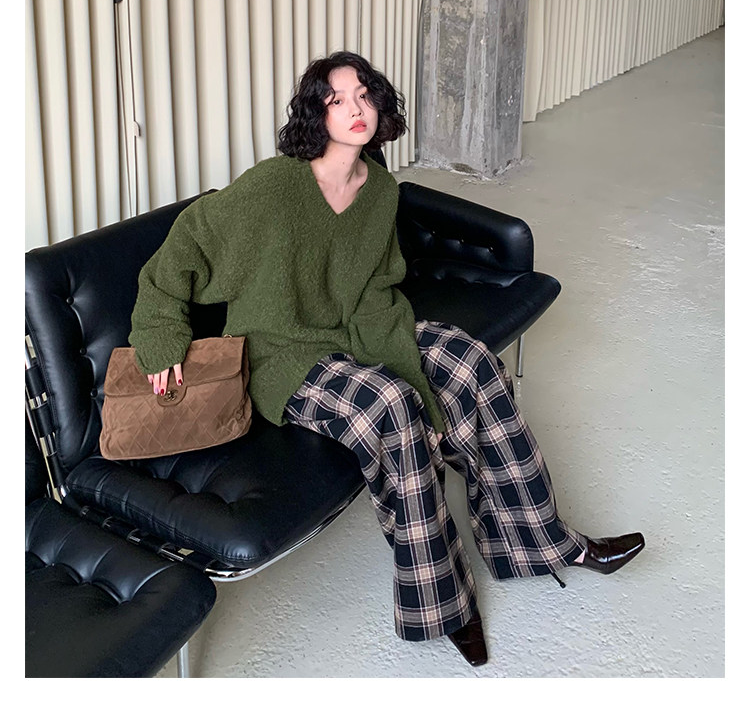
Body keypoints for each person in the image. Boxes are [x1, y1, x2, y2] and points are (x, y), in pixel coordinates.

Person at [129, 51, 645, 667]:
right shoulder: (273, 186)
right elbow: (178, 256)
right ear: (315, 115)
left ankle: (541, 543)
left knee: (470, 362)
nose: (355, 109)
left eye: (364, 95)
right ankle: (443, 604)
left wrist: (420, 381)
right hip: (280, 353)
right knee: (392, 407)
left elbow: (375, 297)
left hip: (355, 333)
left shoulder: (379, 193)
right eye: (336, 100)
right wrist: (159, 336)